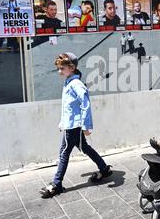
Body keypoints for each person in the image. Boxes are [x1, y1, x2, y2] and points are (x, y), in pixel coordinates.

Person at [40, 52, 113, 198]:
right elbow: (68, 107)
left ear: (71, 67)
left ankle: (56, 184)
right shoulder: (69, 82)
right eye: (58, 69)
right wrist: (63, 122)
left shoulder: (76, 84)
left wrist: (86, 126)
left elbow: (85, 104)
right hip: (71, 125)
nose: (59, 71)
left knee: (64, 153)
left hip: (74, 127)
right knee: (84, 148)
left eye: (62, 68)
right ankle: (104, 168)